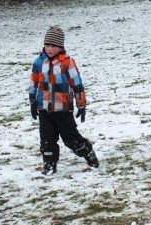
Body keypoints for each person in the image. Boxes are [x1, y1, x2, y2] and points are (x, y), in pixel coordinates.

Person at [29, 26, 99, 175]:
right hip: (44, 109)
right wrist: (33, 102)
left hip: (63, 109)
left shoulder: (67, 62)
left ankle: (88, 153)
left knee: (71, 138)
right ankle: (49, 164)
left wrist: (81, 105)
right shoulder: (38, 62)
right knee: (47, 140)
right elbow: (34, 83)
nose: (49, 48)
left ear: (60, 46)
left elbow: (77, 84)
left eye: (53, 46)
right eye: (47, 45)